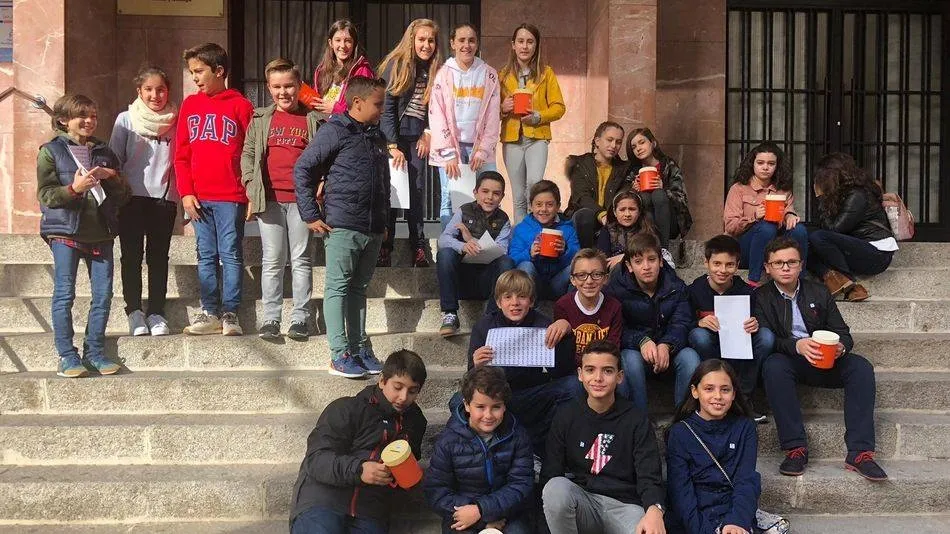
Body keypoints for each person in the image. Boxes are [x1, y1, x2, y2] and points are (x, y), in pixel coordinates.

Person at [755, 237, 887, 480]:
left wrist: (841, 348)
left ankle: (860, 453)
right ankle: (795, 448)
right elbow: (766, 338)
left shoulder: (819, 291)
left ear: (801, 265)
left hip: (824, 359)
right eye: (778, 263)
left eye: (791, 262)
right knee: (774, 366)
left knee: (861, 367)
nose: (785, 268)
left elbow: (844, 333)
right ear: (767, 268)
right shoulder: (761, 297)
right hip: (789, 360)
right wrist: (796, 346)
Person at [295, 76, 389, 378]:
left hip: (372, 227)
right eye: (378, 104)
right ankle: (339, 354)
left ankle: (359, 348)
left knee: (359, 289)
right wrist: (310, 214)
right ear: (357, 103)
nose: (382, 110)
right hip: (343, 226)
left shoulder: (377, 136)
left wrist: (384, 221)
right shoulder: (335, 130)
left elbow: (384, 182)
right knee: (338, 288)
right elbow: (303, 168)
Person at [38, 94, 131, 377]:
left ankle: (94, 353)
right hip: (65, 232)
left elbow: (123, 196)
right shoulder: (50, 151)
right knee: (64, 294)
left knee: (103, 296)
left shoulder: (104, 151)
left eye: (93, 116)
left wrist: (111, 177)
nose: (90, 121)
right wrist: (74, 189)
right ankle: (67, 356)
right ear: (64, 120)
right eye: (82, 116)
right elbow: (46, 195)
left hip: (101, 232)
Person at [289, 350, 428, 534]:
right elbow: (316, 459)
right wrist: (360, 470)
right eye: (397, 387)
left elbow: (409, 463)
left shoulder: (415, 421)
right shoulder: (346, 408)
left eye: (412, 391)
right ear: (382, 381)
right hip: (324, 500)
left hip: (371, 510)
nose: (403, 397)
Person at [541, 340, 667, 534]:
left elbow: (649, 475)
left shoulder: (636, 419)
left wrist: (654, 509)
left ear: (620, 377)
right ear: (580, 374)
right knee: (555, 488)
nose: (598, 378)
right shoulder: (566, 415)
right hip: (584, 502)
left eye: (607, 371)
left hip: (624, 506)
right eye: (590, 370)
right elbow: (551, 472)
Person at [175, 42, 254, 336]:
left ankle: (230, 313)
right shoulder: (190, 105)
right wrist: (186, 192)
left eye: (199, 71)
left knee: (230, 253)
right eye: (192, 72)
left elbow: (250, 153)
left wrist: (250, 193)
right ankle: (209, 311)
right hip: (199, 197)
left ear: (219, 71)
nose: (195, 78)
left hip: (231, 196)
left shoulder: (241, 105)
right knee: (205, 254)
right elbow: (181, 155)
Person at [241, 58, 323, 341]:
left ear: (299, 86)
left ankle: (300, 318)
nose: (283, 92)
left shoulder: (313, 119)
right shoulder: (260, 119)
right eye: (277, 87)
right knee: (273, 260)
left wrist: (322, 182)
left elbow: (325, 155)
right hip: (270, 200)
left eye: (288, 86)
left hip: (302, 200)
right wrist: (250, 184)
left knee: (300, 259)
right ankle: (271, 318)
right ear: (269, 88)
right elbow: (248, 154)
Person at [466, 269, 577, 457]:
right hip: (496, 396)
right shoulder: (484, 326)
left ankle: (539, 446)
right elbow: (470, 380)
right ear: (499, 302)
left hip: (532, 394)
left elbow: (561, 372)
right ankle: (482, 448)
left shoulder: (543, 324)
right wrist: (476, 366)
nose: (515, 303)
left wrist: (566, 332)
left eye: (522, 297)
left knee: (573, 386)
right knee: (458, 401)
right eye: (507, 297)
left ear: (531, 302)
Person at [109, 65, 177, 337]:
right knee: (131, 256)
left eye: (160, 89)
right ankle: (134, 311)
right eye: (148, 89)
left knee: (158, 257)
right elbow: (114, 160)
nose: (155, 95)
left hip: (164, 199)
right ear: (139, 91)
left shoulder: (176, 119)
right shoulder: (125, 119)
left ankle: (157, 312)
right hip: (131, 198)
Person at [424, 366, 534, 534]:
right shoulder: (448, 441)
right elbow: (436, 491)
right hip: (462, 514)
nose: (488, 415)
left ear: (505, 406)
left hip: (507, 514)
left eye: (496, 407)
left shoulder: (517, 436)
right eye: (480, 407)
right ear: (467, 405)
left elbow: (521, 485)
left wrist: (482, 510)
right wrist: (478, 517)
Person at [604, 232, 700, 411]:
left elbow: (682, 321)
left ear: (661, 261)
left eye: (652, 259)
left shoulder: (676, 287)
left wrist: (667, 344)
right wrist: (641, 340)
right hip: (636, 351)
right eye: (638, 261)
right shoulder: (615, 290)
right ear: (629, 266)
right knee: (630, 360)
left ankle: (683, 418)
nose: (646, 267)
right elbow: (617, 327)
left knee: (690, 358)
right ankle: (640, 418)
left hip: (669, 351)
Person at [665, 360, 761, 534]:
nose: (718, 396)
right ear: (695, 391)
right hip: (693, 519)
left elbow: (746, 479)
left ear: (734, 393)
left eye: (725, 390)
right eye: (709, 389)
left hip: (732, 516)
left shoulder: (745, 427)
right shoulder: (680, 432)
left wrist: (737, 522)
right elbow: (680, 491)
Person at [686, 234, 774, 421]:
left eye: (729, 265)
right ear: (706, 263)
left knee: (766, 337)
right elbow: (683, 322)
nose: (723, 270)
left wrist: (755, 323)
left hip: (739, 348)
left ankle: (743, 398)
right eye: (717, 264)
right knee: (698, 335)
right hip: (710, 348)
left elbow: (760, 319)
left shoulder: (747, 292)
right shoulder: (694, 290)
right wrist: (698, 323)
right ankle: (712, 394)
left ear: (737, 265)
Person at [377, 18, 443, 268]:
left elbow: (436, 109)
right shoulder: (397, 65)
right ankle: (386, 247)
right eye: (421, 39)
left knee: (416, 192)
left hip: (418, 139)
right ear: (411, 40)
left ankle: (419, 247)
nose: (426, 45)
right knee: (393, 193)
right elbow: (387, 109)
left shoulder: (435, 69)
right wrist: (392, 145)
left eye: (431, 40)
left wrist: (428, 132)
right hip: (395, 138)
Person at [428, 23, 501, 229]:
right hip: (452, 148)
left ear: (477, 44)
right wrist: (449, 153)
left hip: (480, 150)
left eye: (471, 40)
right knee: (450, 199)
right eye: (461, 40)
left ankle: (483, 245)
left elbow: (493, 116)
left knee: (487, 197)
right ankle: (449, 245)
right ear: (452, 43)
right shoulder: (443, 74)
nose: (466, 45)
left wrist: (483, 150)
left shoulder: (489, 75)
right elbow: (436, 114)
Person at [808, 152, 897, 302]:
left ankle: (850, 283)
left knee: (818, 237)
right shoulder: (842, 193)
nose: (819, 181)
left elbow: (835, 229)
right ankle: (836, 279)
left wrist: (821, 198)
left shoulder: (857, 194)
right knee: (803, 243)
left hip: (876, 253)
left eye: (822, 176)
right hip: (856, 248)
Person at [499, 23, 566, 223]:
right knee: (518, 195)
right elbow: (490, 111)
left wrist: (538, 116)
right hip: (512, 140)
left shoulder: (546, 73)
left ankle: (537, 231)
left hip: (537, 138)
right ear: (513, 45)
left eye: (530, 42)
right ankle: (522, 235)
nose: (525, 46)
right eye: (520, 41)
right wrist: (502, 108)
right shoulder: (502, 75)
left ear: (536, 46)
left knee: (534, 187)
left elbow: (559, 107)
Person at [437, 171, 516, 337]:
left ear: (502, 197)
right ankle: (450, 313)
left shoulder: (504, 220)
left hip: (488, 280)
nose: (490, 197)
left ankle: (492, 316)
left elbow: (502, 249)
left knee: (506, 262)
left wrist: (472, 239)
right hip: (461, 278)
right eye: (485, 191)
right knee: (445, 254)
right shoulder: (463, 211)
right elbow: (443, 239)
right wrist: (463, 245)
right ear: (475, 192)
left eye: (496, 193)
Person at [723, 141, 808, 286]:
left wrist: (790, 216)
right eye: (760, 163)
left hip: (775, 248)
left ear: (777, 166)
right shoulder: (738, 189)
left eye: (771, 163)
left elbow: (789, 210)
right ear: (752, 164)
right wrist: (754, 217)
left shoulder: (783, 190)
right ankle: (753, 281)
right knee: (767, 226)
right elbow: (730, 226)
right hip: (745, 248)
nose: (765, 167)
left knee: (799, 229)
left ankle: (800, 280)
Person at [547, 248, 623, 374]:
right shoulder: (562, 306)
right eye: (581, 275)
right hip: (575, 371)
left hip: (603, 368)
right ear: (572, 280)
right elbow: (563, 354)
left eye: (596, 274)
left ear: (605, 278)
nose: (589, 281)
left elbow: (613, 349)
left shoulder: (614, 307)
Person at [509, 180, 581, 301]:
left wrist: (565, 251)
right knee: (526, 266)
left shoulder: (568, 229)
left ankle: (571, 306)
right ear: (531, 206)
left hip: (558, 283)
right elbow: (512, 259)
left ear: (558, 206)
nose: (544, 209)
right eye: (538, 204)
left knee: (576, 267)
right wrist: (530, 254)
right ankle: (530, 308)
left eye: (549, 204)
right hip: (533, 282)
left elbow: (579, 258)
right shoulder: (522, 228)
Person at [624, 128, 692, 248]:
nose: (638, 148)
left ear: (653, 143)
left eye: (642, 142)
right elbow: (624, 202)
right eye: (634, 147)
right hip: (643, 223)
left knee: (658, 194)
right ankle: (648, 246)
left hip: (670, 222)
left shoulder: (669, 165)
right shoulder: (633, 171)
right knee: (644, 196)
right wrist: (634, 191)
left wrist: (664, 189)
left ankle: (663, 251)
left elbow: (682, 198)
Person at [565, 121, 629, 248]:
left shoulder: (624, 168)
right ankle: (586, 256)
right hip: (585, 218)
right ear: (597, 141)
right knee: (585, 215)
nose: (614, 145)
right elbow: (581, 197)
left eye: (618, 142)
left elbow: (623, 195)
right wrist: (602, 214)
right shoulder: (579, 163)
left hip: (611, 219)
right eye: (609, 140)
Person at [309, 19, 374, 115]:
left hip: (347, 124)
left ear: (354, 44)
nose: (343, 45)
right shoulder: (321, 70)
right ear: (331, 43)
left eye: (348, 41)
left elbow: (364, 108)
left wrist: (335, 109)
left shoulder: (362, 71)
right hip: (321, 123)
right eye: (338, 40)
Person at [596, 190, 668, 271]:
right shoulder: (607, 230)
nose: (627, 214)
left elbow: (653, 256)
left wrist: (623, 258)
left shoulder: (648, 229)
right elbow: (603, 260)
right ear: (615, 212)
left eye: (632, 209)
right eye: (622, 210)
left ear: (639, 211)